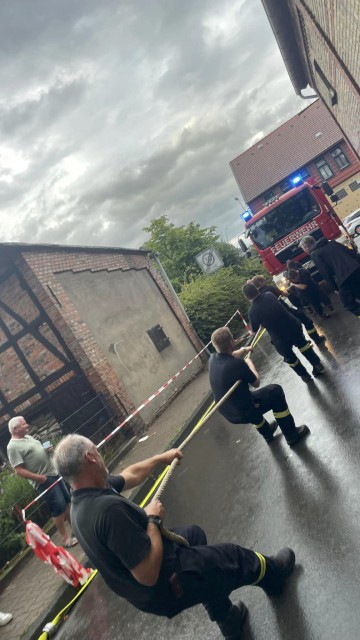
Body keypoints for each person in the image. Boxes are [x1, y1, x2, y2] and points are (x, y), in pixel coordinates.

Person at [54, 435, 296, 640]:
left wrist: (162, 458)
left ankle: (228, 619)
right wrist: (153, 520)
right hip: (165, 583)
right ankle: (274, 575)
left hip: (155, 572)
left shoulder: (85, 497)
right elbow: (147, 574)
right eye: (96, 449)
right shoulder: (108, 512)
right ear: (90, 458)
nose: (100, 452)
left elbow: (131, 474)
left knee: (194, 535)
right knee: (235, 557)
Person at [209, 327, 309, 446]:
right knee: (276, 391)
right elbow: (256, 383)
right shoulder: (237, 364)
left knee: (249, 399)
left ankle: (267, 433)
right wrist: (250, 364)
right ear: (231, 342)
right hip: (244, 411)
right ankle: (291, 435)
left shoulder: (212, 359)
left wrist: (244, 349)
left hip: (228, 412)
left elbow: (231, 355)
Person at [7, 416, 77, 548]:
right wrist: (39, 478)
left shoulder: (28, 437)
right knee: (57, 508)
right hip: (44, 479)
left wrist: (47, 450)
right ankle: (65, 538)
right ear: (15, 429)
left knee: (66, 502)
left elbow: (38, 451)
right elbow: (19, 470)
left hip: (54, 472)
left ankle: (76, 531)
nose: (27, 425)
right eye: (24, 424)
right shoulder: (12, 447)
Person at [243, 282, 324, 381]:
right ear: (256, 289)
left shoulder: (252, 312)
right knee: (304, 346)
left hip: (279, 337)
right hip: (293, 326)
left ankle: (304, 375)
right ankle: (317, 364)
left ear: (247, 297)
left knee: (290, 358)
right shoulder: (269, 295)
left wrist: (252, 332)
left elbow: (255, 331)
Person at [251, 275, 326, 346]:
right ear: (260, 282)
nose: (265, 280)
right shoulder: (269, 288)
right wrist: (288, 290)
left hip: (276, 321)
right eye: (264, 280)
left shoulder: (258, 295)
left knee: (292, 331)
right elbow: (285, 294)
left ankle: (303, 342)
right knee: (305, 319)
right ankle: (316, 339)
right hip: (286, 311)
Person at [299, 235, 360, 317]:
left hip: (344, 279)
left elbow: (326, 273)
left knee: (349, 304)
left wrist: (335, 288)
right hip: (356, 270)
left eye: (303, 249)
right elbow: (351, 252)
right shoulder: (332, 242)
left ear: (306, 246)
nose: (304, 251)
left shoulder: (314, 253)